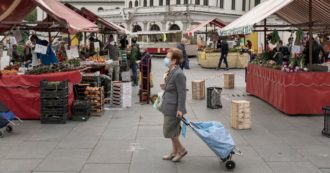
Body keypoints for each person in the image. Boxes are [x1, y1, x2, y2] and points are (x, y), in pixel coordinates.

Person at [160, 48, 187, 162]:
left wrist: (180, 109)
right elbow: (173, 88)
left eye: (168, 57)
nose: (165, 59)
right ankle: (174, 152)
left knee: (169, 131)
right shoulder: (172, 70)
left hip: (174, 108)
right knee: (173, 131)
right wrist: (165, 87)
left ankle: (181, 150)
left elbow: (182, 93)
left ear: (174, 60)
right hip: (169, 105)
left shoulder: (179, 74)